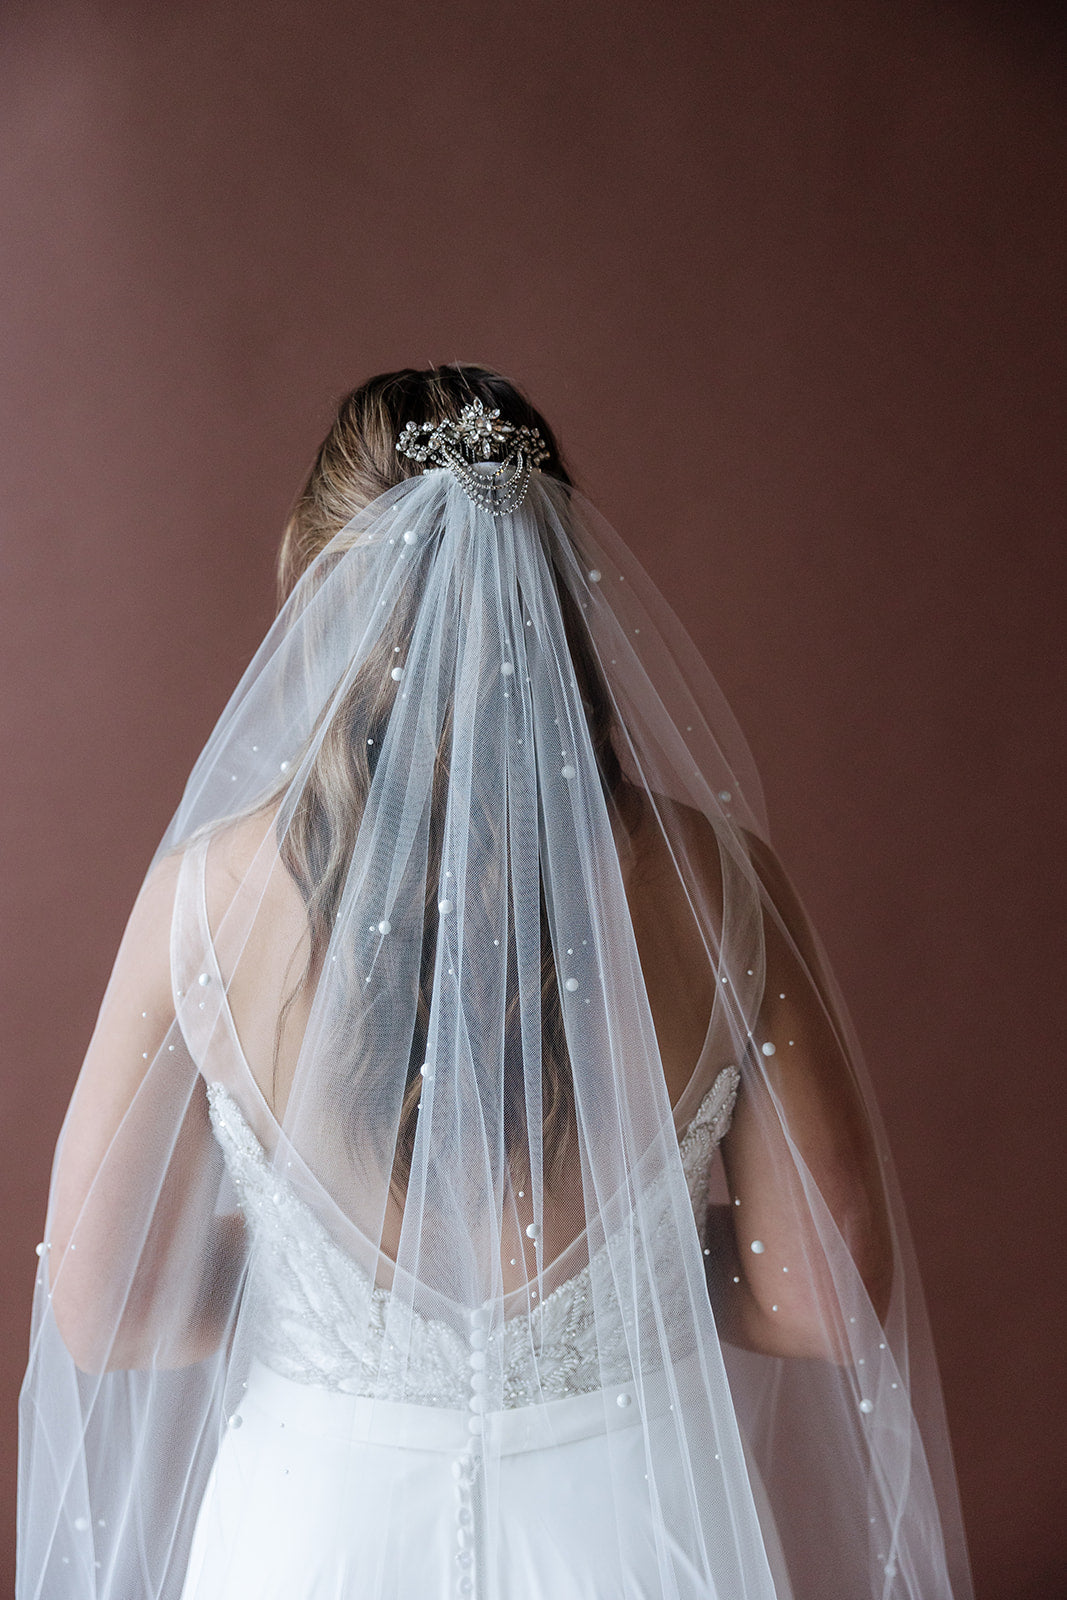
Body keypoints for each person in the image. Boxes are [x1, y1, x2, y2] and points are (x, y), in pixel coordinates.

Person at [17, 365, 973, 1599]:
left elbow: (105, 1305)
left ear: (315, 593)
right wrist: (624, 1279)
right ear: (562, 594)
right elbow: (822, 1295)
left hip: (314, 1534)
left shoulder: (203, 901)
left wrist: (314, 1282)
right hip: (634, 1532)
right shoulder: (713, 886)